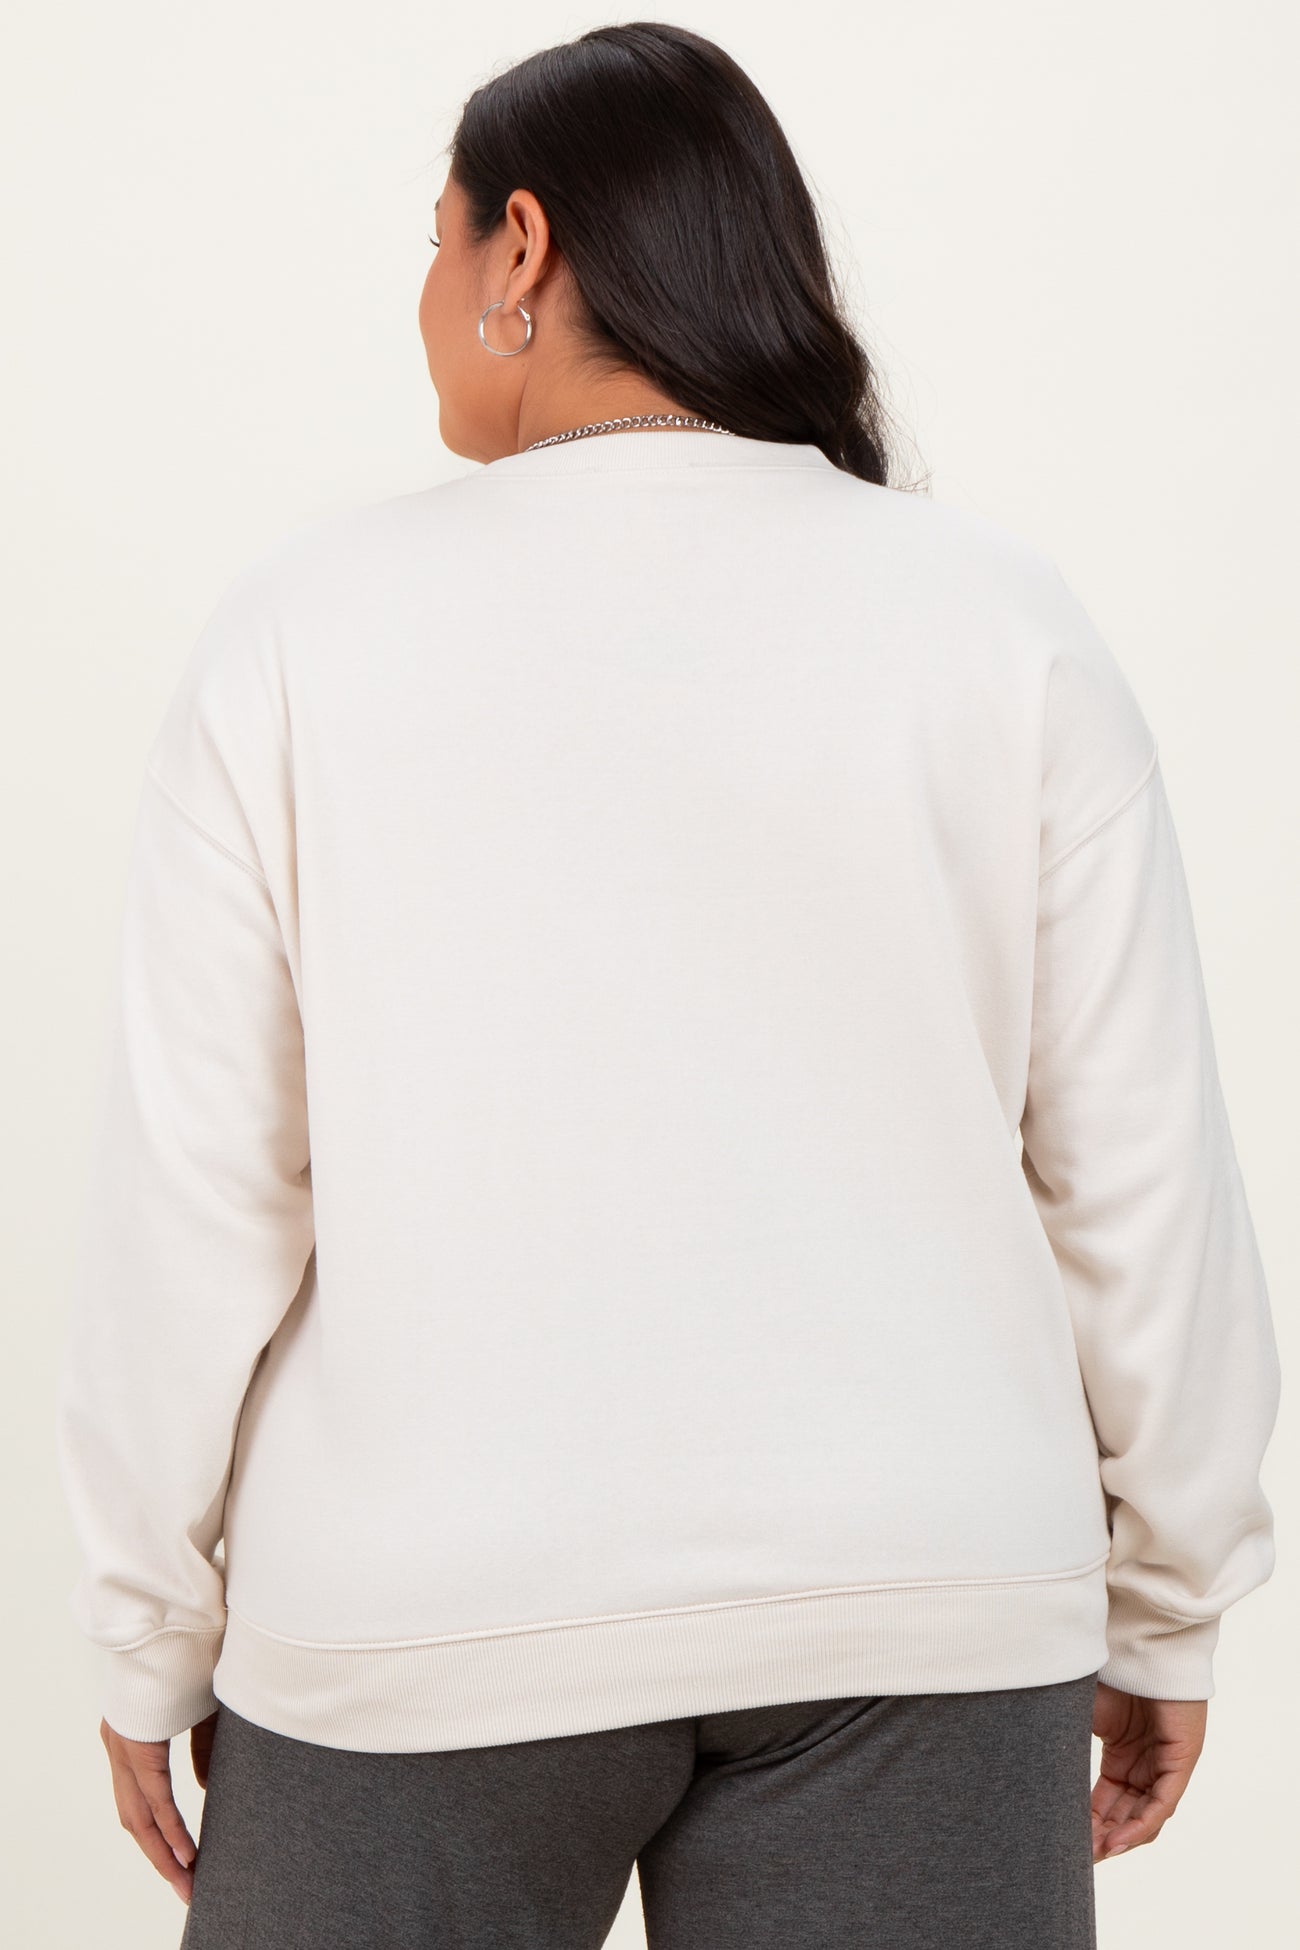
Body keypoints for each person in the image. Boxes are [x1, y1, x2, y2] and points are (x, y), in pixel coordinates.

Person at [54, 21, 1280, 1949]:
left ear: (522, 248)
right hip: (926, 1604)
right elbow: (1142, 1173)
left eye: (435, 241)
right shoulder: (999, 622)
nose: (425, 293)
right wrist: (1171, 1594)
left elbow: (198, 1192)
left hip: (422, 1620)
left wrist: (148, 1622)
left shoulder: (301, 632)